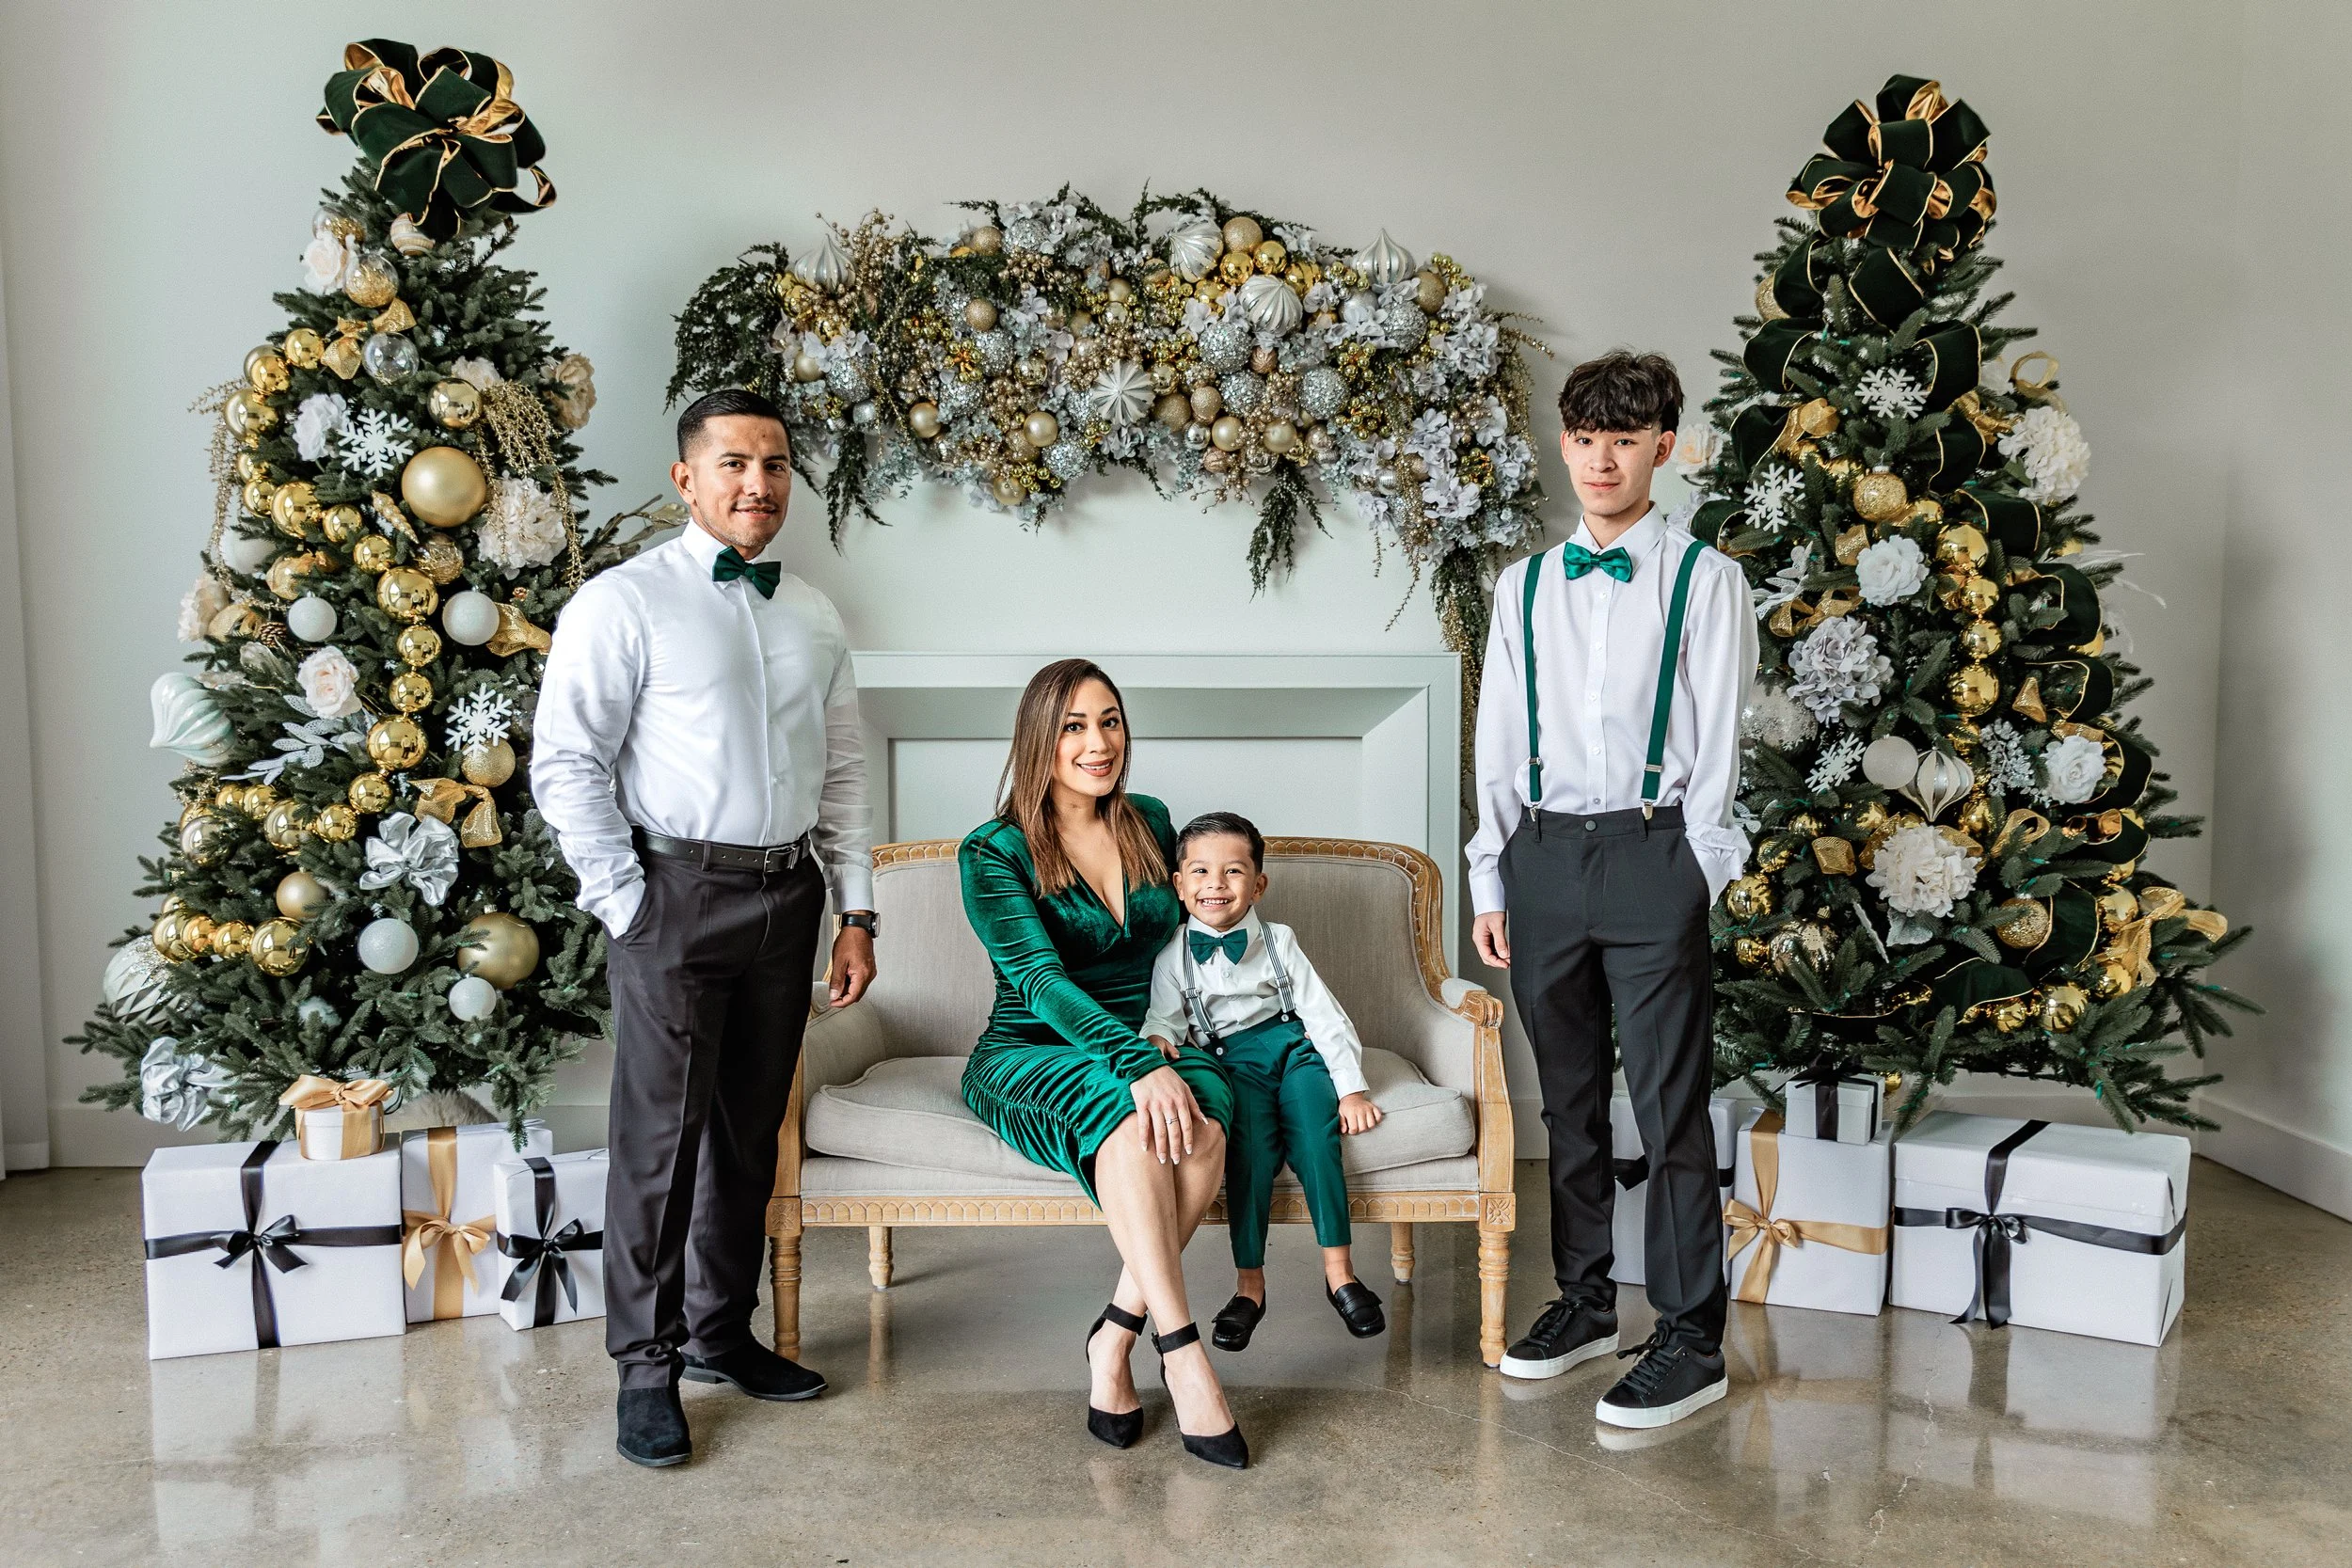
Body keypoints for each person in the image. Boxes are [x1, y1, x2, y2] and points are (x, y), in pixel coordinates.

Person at [533, 388, 880, 1468]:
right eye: (733, 463)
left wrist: (855, 907)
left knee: (745, 1128)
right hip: (673, 894)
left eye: (773, 465)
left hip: (789, 897)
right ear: (687, 478)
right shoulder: (622, 602)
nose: (757, 484)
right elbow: (567, 759)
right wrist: (626, 898)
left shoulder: (812, 612)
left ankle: (719, 1333)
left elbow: (844, 773)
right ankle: (645, 1365)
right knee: (660, 1138)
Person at [1467, 351, 1757, 1430]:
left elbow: (1720, 741)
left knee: (1671, 1106)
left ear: (1661, 449)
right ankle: (1585, 1302)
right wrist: (1491, 870)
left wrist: (1697, 870)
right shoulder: (1523, 586)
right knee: (1568, 1101)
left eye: (1624, 440)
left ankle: (1690, 1337)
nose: (1600, 459)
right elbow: (1500, 733)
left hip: (1652, 852)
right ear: (1564, 443)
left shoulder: (1706, 580)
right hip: (1542, 857)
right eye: (1585, 438)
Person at [957, 659, 1248, 1469]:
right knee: (1132, 1124)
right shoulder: (993, 850)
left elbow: (1192, 938)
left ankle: (1114, 1335)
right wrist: (1133, 1065)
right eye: (1075, 726)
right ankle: (1183, 1354)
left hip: (1151, 1039)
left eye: (1110, 721)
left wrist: (1166, 1038)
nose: (1098, 743)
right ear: (1039, 739)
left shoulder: (1150, 820)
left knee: (1204, 1122)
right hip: (1032, 1050)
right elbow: (1039, 982)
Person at [1139, 811, 1387, 1351]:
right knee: (1248, 1152)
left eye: (1233, 871)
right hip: (1232, 1063)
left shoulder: (1280, 940)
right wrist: (1155, 1041)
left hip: (1295, 1050)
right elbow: (1164, 1019)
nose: (1216, 884)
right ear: (1179, 885)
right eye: (1200, 872)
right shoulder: (1172, 954)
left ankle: (1340, 1273)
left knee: (1317, 1136)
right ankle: (1249, 1286)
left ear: (1258, 885)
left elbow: (1322, 1012)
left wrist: (1351, 1087)